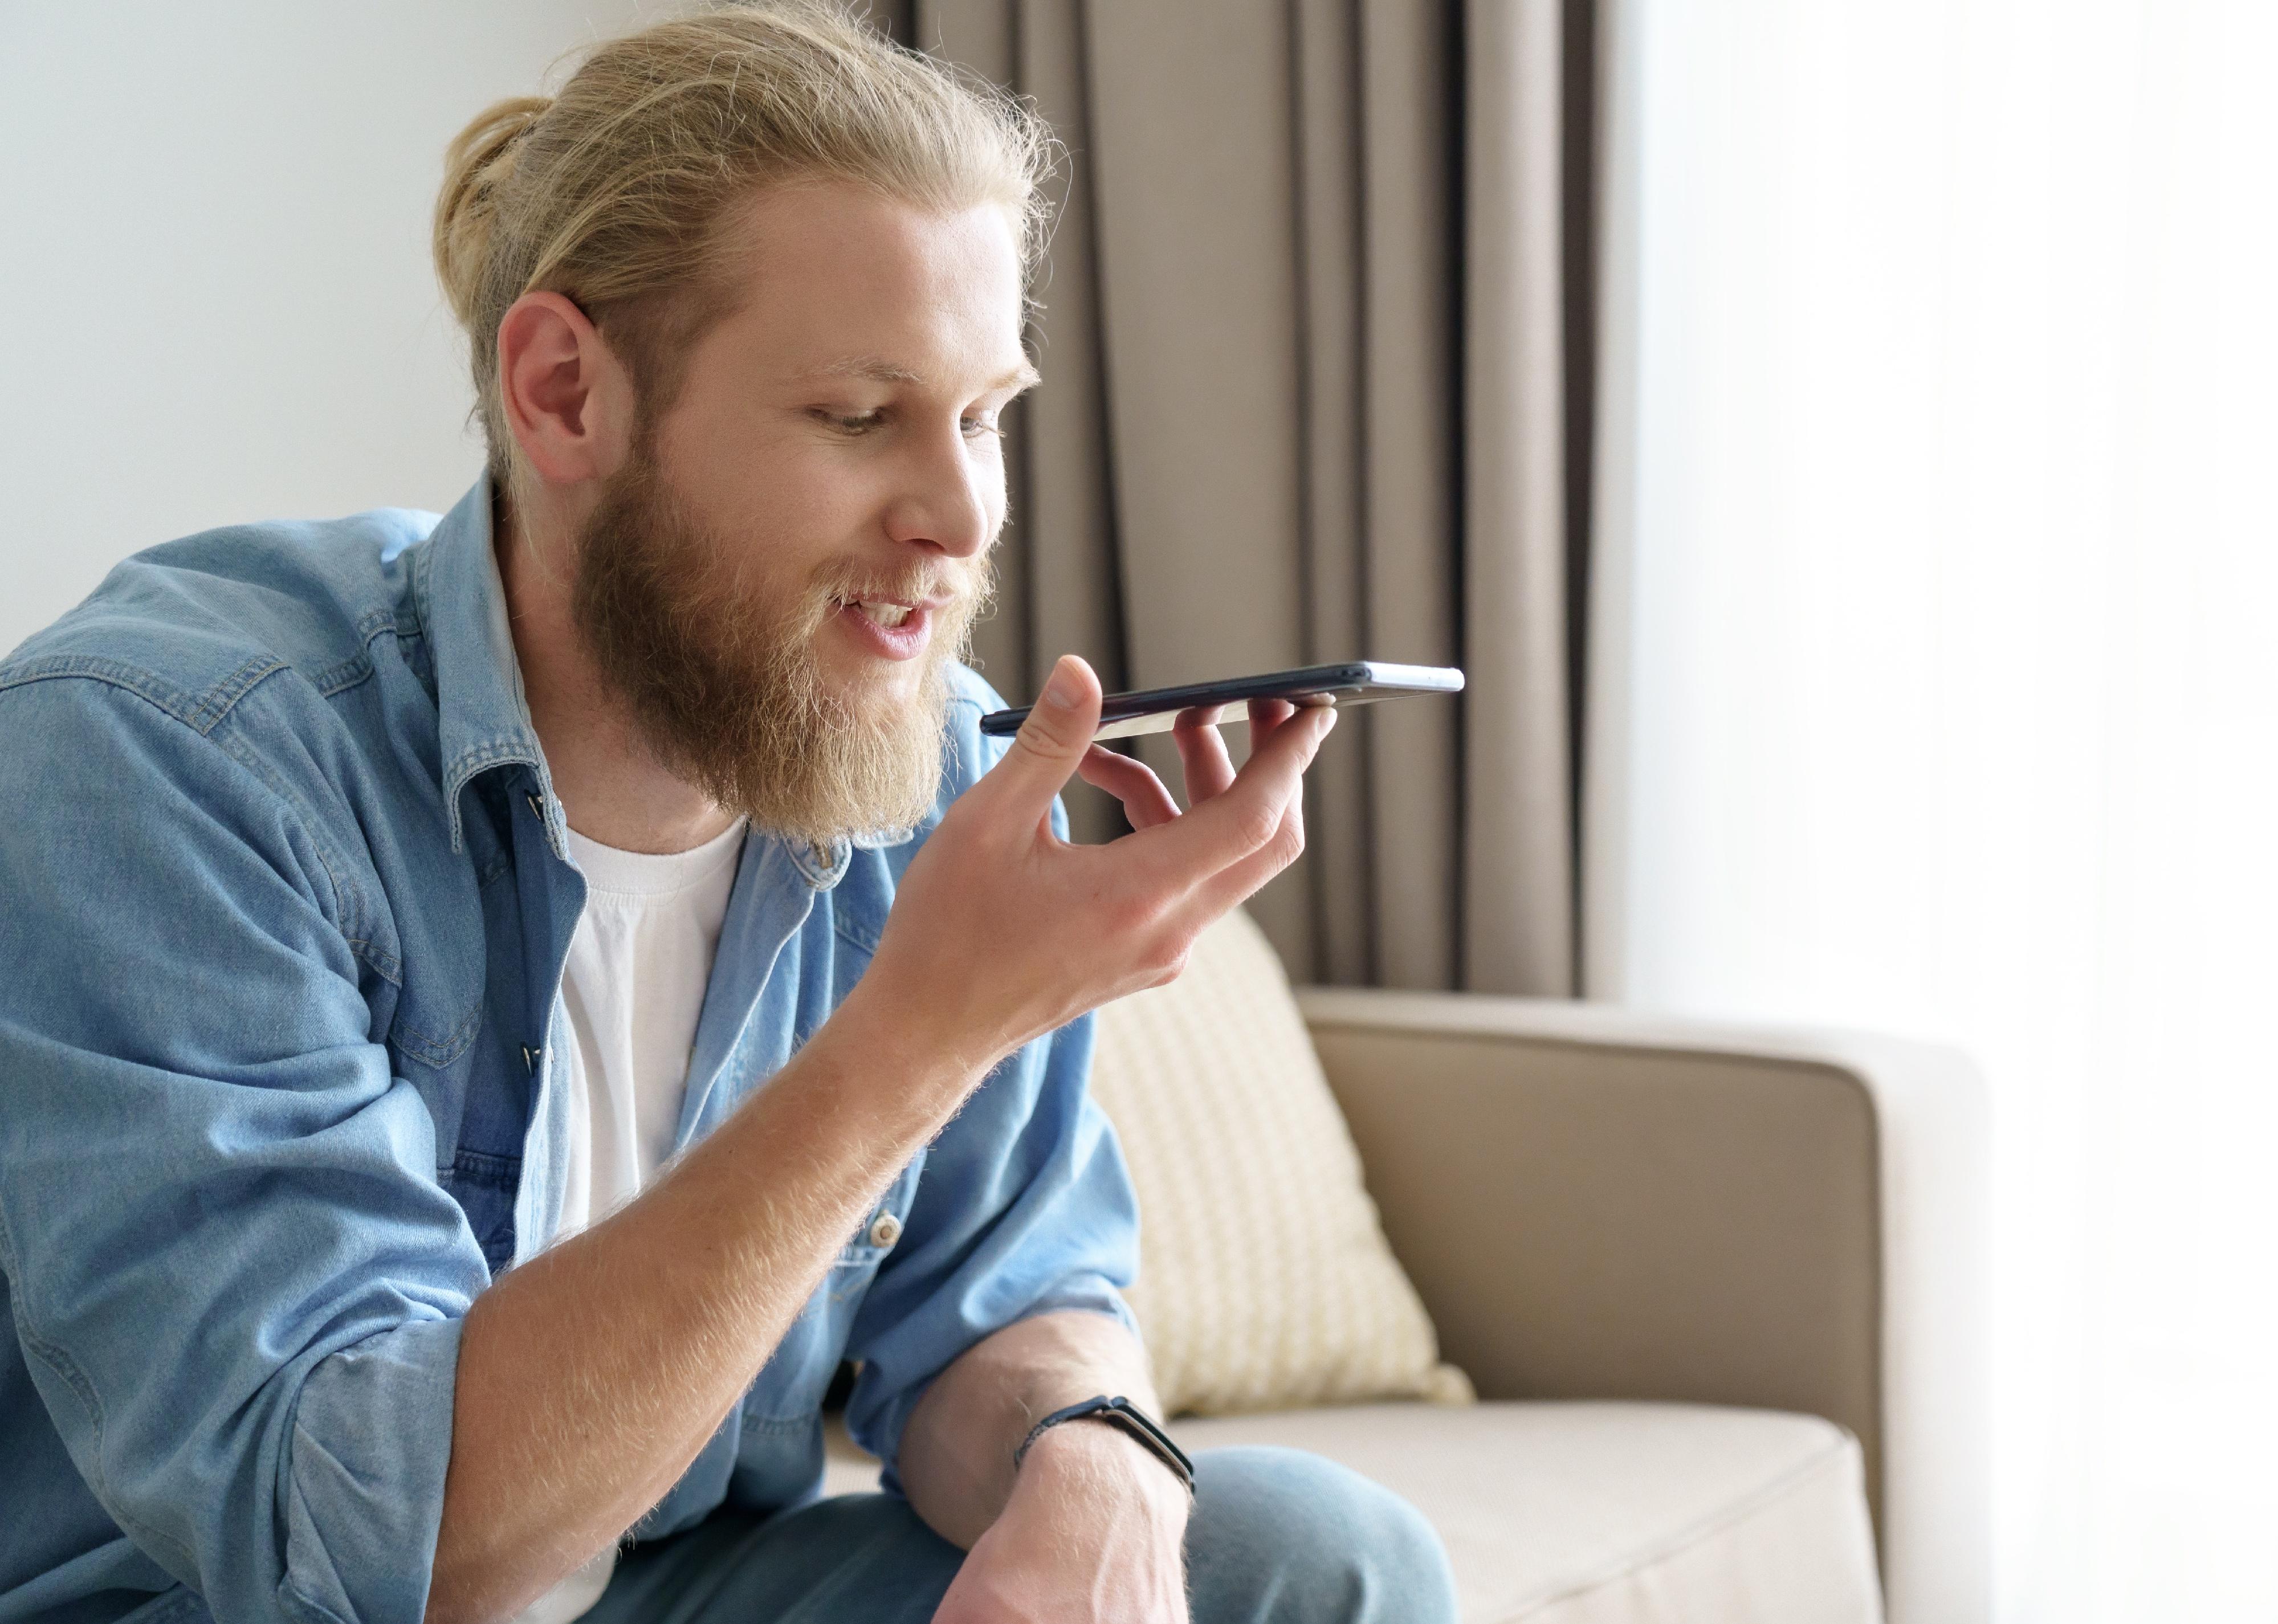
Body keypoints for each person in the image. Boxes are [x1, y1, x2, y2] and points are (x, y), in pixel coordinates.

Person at [0, 6, 1462, 1623]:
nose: (965, 515)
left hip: (665, 1587)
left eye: (985, 414)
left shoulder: (921, 760)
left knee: (1312, 1559)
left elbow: (1001, 1298)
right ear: (565, 394)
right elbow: (372, 1545)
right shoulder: (169, 759)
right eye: (861, 415)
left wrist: (1097, 1463)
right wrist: (916, 1036)